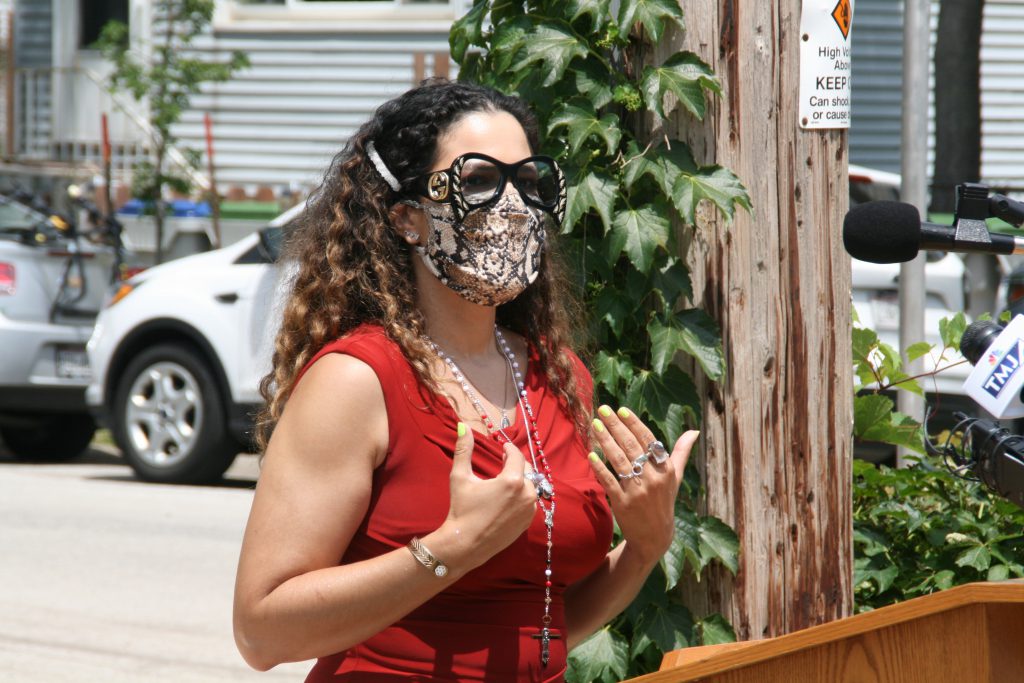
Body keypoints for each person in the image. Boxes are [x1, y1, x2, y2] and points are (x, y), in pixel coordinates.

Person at [232, 79, 700, 682]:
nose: (512, 207)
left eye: (528, 183)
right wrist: (453, 547)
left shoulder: (560, 377)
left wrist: (644, 547)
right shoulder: (358, 380)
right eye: (478, 181)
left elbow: (543, 630)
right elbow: (261, 632)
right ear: (407, 219)